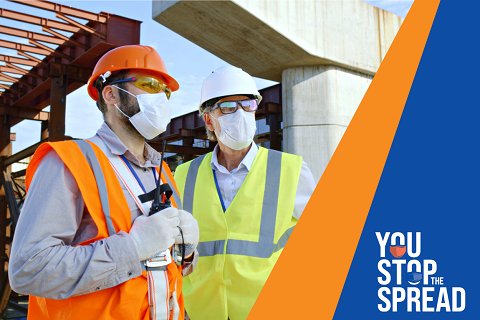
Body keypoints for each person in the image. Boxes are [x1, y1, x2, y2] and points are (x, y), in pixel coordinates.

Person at [8, 45, 199, 320]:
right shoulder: (69, 163)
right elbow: (29, 270)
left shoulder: (162, 169)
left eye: (164, 91)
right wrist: (131, 249)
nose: (161, 97)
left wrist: (186, 252)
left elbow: (163, 267)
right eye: (150, 85)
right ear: (111, 93)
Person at [174, 66, 316, 320]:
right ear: (209, 120)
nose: (240, 113)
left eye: (247, 104)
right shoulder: (184, 175)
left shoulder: (292, 170)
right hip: (202, 312)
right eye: (228, 107)